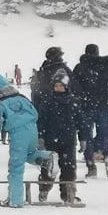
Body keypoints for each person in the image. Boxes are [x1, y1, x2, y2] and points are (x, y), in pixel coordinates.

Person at [0, 72, 57, 208]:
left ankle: (15, 200)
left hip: (18, 133)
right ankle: (47, 157)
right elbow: (34, 111)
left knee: (16, 168)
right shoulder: (21, 97)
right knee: (29, 154)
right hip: (32, 129)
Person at [70, 44, 108, 178]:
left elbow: (73, 87)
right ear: (98, 52)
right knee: (104, 135)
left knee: (86, 136)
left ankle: (91, 165)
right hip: (104, 105)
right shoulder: (107, 66)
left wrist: (81, 99)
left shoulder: (80, 67)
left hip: (86, 106)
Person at [36, 71, 81, 205]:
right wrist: (40, 136)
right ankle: (44, 188)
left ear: (66, 86)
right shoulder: (48, 101)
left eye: (61, 86)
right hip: (51, 140)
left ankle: (68, 193)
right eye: (56, 86)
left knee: (69, 168)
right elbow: (41, 120)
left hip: (68, 141)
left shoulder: (73, 102)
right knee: (49, 167)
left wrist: (84, 137)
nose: (58, 88)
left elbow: (80, 121)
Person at [30, 47, 71, 119]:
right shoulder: (63, 69)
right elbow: (73, 86)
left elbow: (35, 89)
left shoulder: (43, 69)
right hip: (61, 105)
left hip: (44, 105)